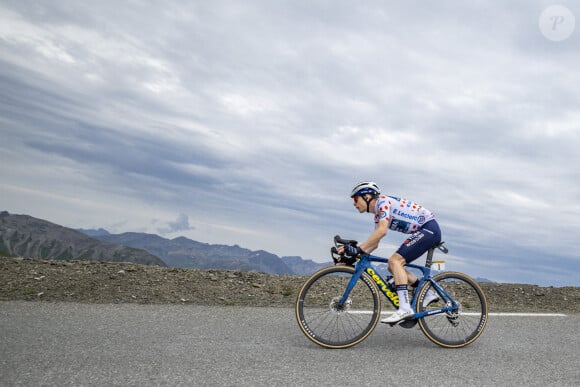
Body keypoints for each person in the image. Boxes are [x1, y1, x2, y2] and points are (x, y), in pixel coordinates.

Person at [338, 181, 441, 324]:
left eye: (356, 199)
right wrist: (353, 257)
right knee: (392, 266)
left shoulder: (382, 202)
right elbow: (375, 243)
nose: (354, 204)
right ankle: (428, 293)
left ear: (367, 196)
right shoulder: (378, 215)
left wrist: (359, 249)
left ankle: (405, 308)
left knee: (395, 261)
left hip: (429, 229)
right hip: (425, 230)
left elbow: (382, 231)